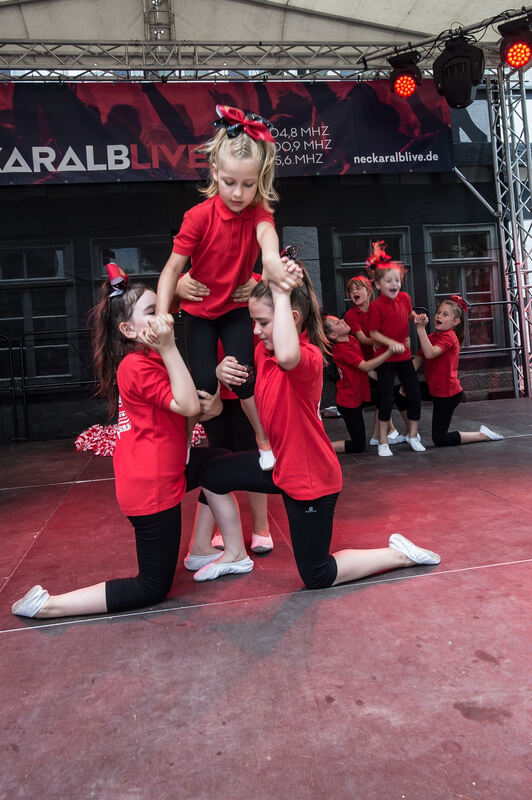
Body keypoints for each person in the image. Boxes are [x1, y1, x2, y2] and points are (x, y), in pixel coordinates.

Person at [12, 268, 253, 620]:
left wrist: (209, 392)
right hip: (150, 487)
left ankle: (213, 550)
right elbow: (187, 405)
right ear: (128, 330)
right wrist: (172, 350)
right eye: (153, 312)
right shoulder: (136, 366)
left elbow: (194, 410)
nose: (164, 317)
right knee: (152, 587)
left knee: (216, 462)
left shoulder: (152, 358)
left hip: (168, 467)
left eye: (162, 308)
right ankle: (50, 605)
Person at [194, 268, 441, 587]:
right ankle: (234, 554)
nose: (255, 331)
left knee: (317, 574)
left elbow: (287, 355)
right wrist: (231, 379)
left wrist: (279, 291)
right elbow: (260, 414)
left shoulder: (307, 358)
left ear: (291, 317)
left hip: (311, 480)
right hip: (280, 465)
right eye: (253, 321)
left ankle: (399, 554)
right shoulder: (263, 352)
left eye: (263, 322)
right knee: (212, 474)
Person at [156, 105, 301, 471]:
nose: (238, 193)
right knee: (202, 382)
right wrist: (162, 316)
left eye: (248, 184)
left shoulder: (259, 212)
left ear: (261, 179)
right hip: (200, 313)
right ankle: (186, 442)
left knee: (243, 375)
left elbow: (267, 237)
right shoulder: (199, 216)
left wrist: (267, 264)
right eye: (230, 183)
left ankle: (263, 440)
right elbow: (172, 269)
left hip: (236, 309)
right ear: (215, 172)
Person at [175, 270, 273, 560]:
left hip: (250, 389)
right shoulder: (192, 280)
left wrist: (261, 285)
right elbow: (169, 307)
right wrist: (179, 287)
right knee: (219, 455)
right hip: (213, 391)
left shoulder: (253, 279)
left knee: (253, 453)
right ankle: (222, 524)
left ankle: (262, 526)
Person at [396, 295, 504, 447]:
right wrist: (405, 381)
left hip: (448, 394)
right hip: (433, 388)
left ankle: (482, 435)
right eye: (438, 312)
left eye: (445, 314)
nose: (439, 316)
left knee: (440, 439)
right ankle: (411, 433)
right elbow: (417, 361)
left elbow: (430, 353)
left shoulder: (450, 338)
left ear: (455, 322)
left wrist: (420, 329)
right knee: (398, 392)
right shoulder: (432, 336)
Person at [367, 258, 425, 457]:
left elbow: (409, 314)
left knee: (415, 394)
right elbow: (373, 333)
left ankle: (413, 435)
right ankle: (383, 441)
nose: (394, 285)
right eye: (389, 281)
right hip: (385, 358)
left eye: (397, 280)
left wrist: (416, 318)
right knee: (386, 398)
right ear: (377, 284)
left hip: (404, 356)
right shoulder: (375, 306)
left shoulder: (405, 298)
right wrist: (389, 343)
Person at [343, 272, 403, 446]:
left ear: (369, 292)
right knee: (381, 397)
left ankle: (386, 432)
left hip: (381, 360)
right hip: (362, 363)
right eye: (351, 290)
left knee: (385, 396)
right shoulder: (351, 315)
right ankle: (383, 434)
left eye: (358, 288)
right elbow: (362, 339)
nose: (354, 291)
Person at [323, 314, 396, 453]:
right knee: (358, 445)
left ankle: (377, 436)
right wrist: (389, 353)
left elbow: (366, 370)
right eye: (338, 323)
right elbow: (366, 366)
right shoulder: (342, 350)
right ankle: (323, 448)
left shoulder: (351, 339)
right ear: (333, 335)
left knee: (384, 396)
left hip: (360, 394)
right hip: (349, 402)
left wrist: (381, 379)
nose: (343, 321)